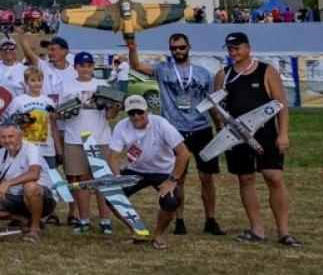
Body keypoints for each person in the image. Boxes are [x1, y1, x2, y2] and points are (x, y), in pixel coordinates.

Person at [127, 32, 224, 236]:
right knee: (178, 177)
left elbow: (212, 104)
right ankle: (179, 220)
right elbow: (137, 66)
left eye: (181, 47)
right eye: (174, 48)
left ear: (189, 46)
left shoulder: (203, 73)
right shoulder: (163, 70)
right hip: (174, 130)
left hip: (201, 128)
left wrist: (219, 127)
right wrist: (132, 47)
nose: (178, 51)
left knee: (207, 177)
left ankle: (211, 220)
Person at [213, 32, 297, 246]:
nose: (233, 52)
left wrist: (283, 133)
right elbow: (216, 108)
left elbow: (281, 104)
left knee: (274, 177)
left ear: (248, 48)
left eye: (237, 48)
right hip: (236, 137)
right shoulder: (224, 75)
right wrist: (221, 129)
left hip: (265, 134)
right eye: (230, 49)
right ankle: (256, 229)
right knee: (246, 179)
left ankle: (284, 231)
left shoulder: (266, 71)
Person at [106, 96, 190, 248]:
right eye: (132, 113)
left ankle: (159, 233)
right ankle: (136, 231)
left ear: (147, 111)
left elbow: (184, 153)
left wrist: (172, 180)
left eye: (140, 112)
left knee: (171, 201)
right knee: (112, 195)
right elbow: (113, 155)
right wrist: (117, 177)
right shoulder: (121, 126)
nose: (136, 116)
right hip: (135, 169)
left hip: (163, 171)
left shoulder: (161, 124)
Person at [54, 52, 120, 234]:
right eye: (82, 65)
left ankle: (105, 220)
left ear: (93, 67)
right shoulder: (66, 85)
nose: (86, 69)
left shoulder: (103, 85)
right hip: (74, 139)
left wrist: (115, 106)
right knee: (81, 180)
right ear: (75, 67)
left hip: (100, 139)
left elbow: (109, 115)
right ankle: (84, 219)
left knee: (102, 181)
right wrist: (62, 112)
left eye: (89, 65)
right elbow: (59, 114)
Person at [0, 120, 54, 242]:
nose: (7, 141)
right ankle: (25, 220)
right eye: (3, 137)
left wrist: (8, 183)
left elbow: (34, 173)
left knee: (30, 187)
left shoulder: (31, 148)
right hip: (16, 196)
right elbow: (0, 181)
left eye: (11, 136)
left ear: (20, 136)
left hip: (42, 197)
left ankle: (35, 229)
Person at [4, 66, 58, 170]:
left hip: (47, 149)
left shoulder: (48, 102)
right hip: (25, 148)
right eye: (33, 80)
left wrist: (58, 150)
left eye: (39, 80)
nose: (36, 83)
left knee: (49, 181)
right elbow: (10, 124)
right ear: (26, 82)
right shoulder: (19, 101)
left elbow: (53, 126)